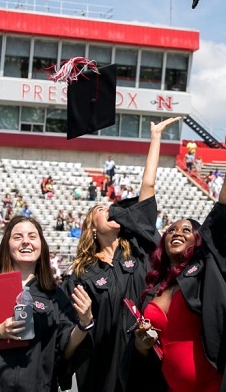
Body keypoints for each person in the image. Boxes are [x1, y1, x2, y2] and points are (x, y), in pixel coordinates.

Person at [127, 115, 226, 392]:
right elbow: (145, 205)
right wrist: (142, 343)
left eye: (186, 230)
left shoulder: (206, 269)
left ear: (198, 240)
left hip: (214, 384)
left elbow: (225, 209)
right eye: (171, 230)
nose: (177, 232)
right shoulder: (154, 285)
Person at [63, 117, 177, 392]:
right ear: (91, 228)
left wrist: (155, 138)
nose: (110, 210)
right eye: (102, 210)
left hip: (142, 360)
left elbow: (147, 191)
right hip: (100, 369)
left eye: (113, 208)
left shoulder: (140, 252)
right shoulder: (81, 274)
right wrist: (85, 320)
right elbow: (68, 336)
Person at [0, 216, 94, 391]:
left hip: (35, 385)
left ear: (42, 245)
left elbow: (65, 349)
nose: (26, 242)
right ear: (7, 244)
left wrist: (84, 323)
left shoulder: (55, 295)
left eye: (33, 237)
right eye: (18, 237)